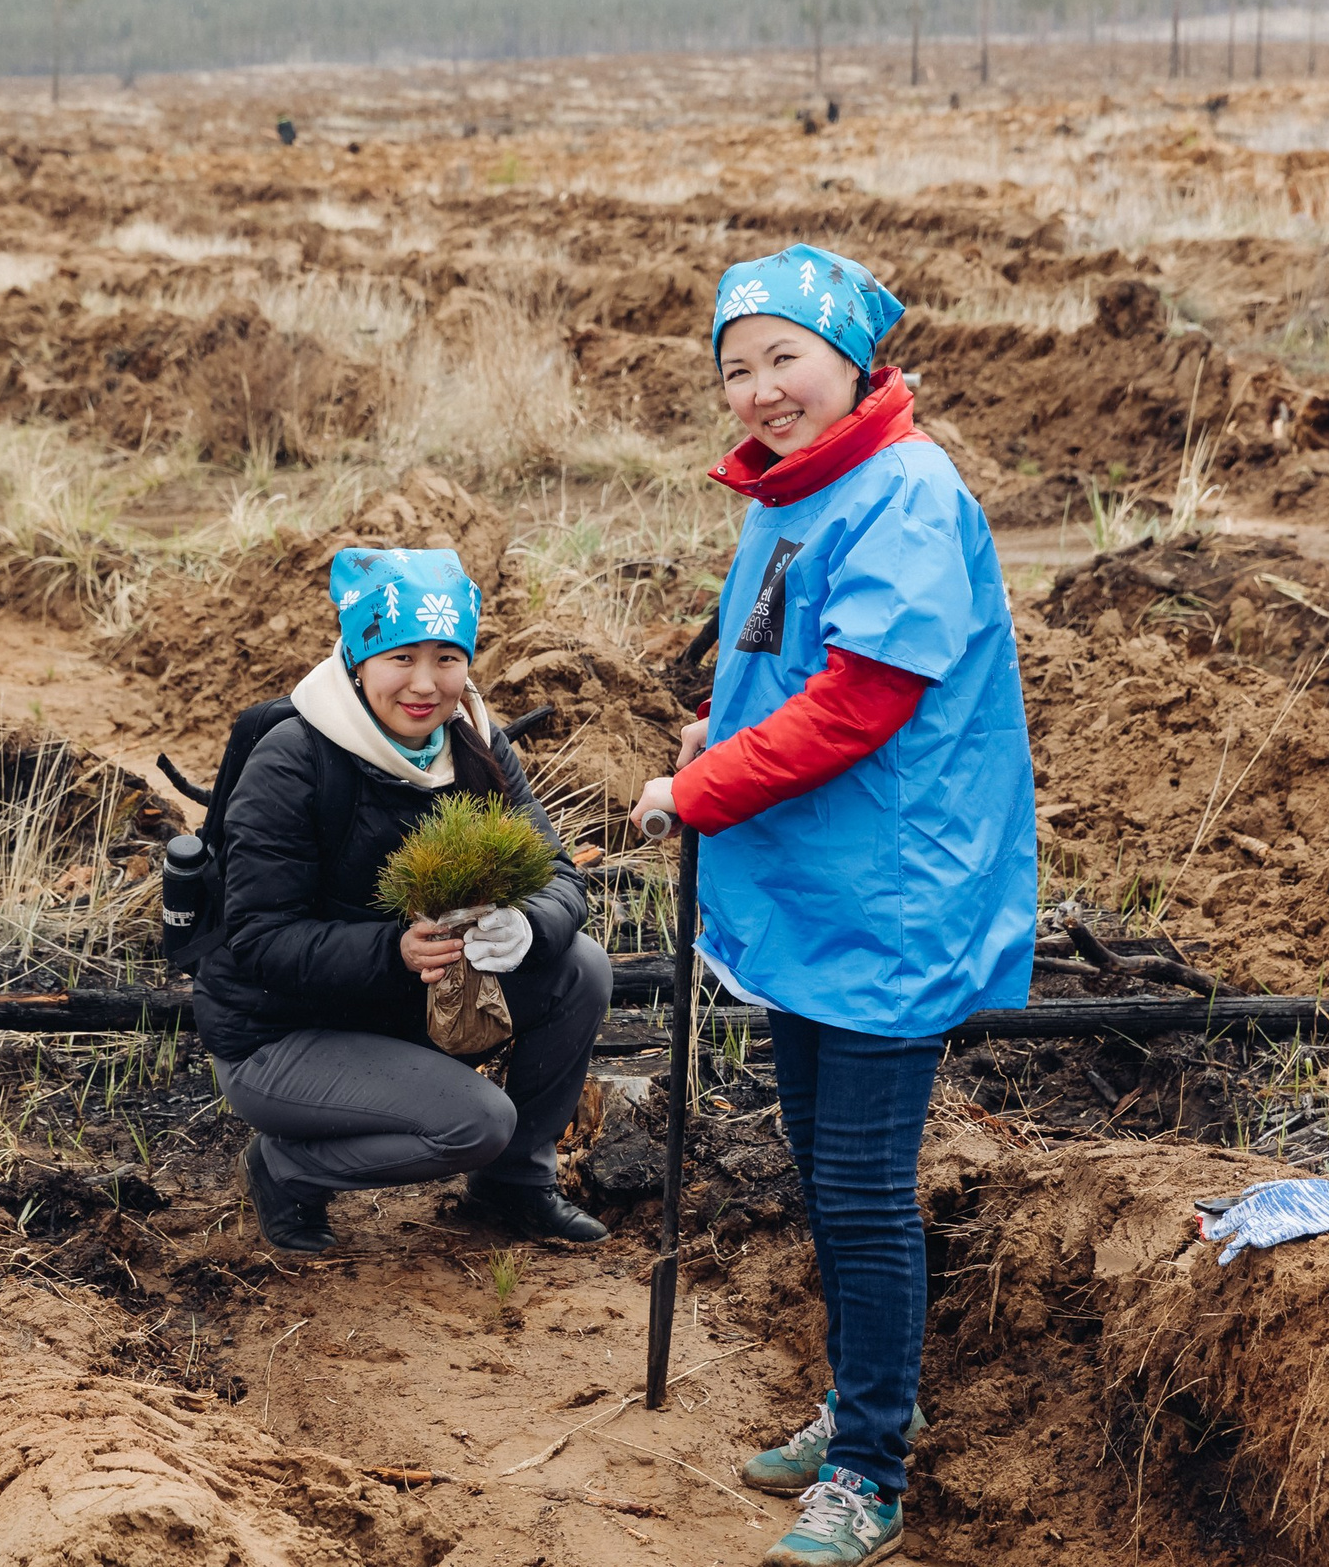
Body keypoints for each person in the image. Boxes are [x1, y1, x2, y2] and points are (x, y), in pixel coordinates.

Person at [631, 244, 1035, 1566]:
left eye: (783, 359)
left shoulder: (904, 493)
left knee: (862, 1189)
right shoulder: (794, 495)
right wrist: (714, 731)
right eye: (733, 369)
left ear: (854, 361)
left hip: (890, 898)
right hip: (816, 892)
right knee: (824, 1163)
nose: (757, 391)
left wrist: (698, 788)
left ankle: (869, 1467)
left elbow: (862, 703)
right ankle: (873, 1395)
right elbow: (782, 668)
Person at [197, 547, 612, 1254]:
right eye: (400, 657)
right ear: (360, 656)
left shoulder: (474, 741)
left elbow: (560, 873)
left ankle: (515, 1186)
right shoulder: (294, 758)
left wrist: (528, 923)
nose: (426, 684)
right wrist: (394, 950)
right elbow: (259, 939)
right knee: (476, 1123)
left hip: (401, 1012)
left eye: (448, 657)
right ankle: (287, 1166)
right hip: (284, 1035)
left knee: (582, 967)